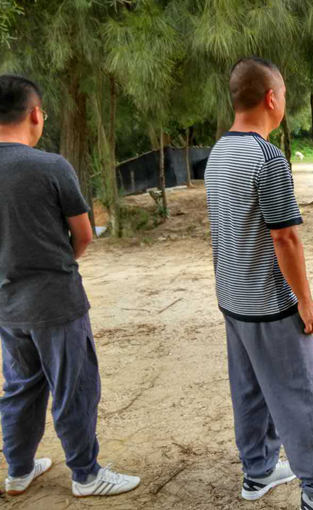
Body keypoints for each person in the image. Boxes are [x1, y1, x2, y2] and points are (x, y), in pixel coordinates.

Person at [204, 58, 313, 510]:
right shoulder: (267, 157)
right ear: (271, 99)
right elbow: (285, 237)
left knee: (250, 389)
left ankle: (258, 471)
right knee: (300, 395)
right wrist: (306, 300)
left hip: (233, 298)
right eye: (284, 95)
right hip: (270, 303)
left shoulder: (219, 152)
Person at [0, 75, 140, 497]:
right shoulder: (51, 167)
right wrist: (60, 262)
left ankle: (18, 470)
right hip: (56, 300)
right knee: (74, 387)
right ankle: (86, 475)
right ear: (35, 114)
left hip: (7, 303)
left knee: (20, 386)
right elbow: (83, 234)